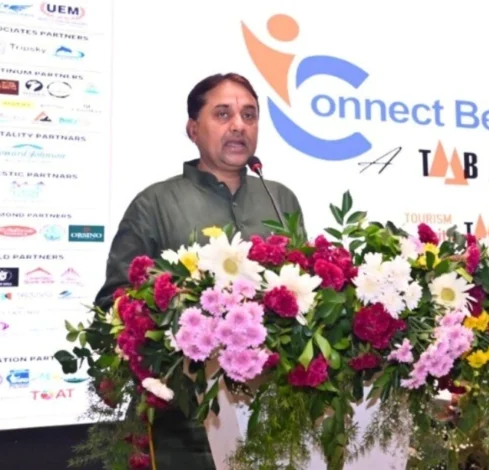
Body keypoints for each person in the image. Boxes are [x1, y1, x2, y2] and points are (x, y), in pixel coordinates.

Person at [95, 72, 305, 469]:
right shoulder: (155, 203)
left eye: (249, 115)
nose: (239, 125)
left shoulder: (280, 200)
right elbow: (114, 302)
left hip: (273, 417)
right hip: (184, 423)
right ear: (193, 129)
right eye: (223, 114)